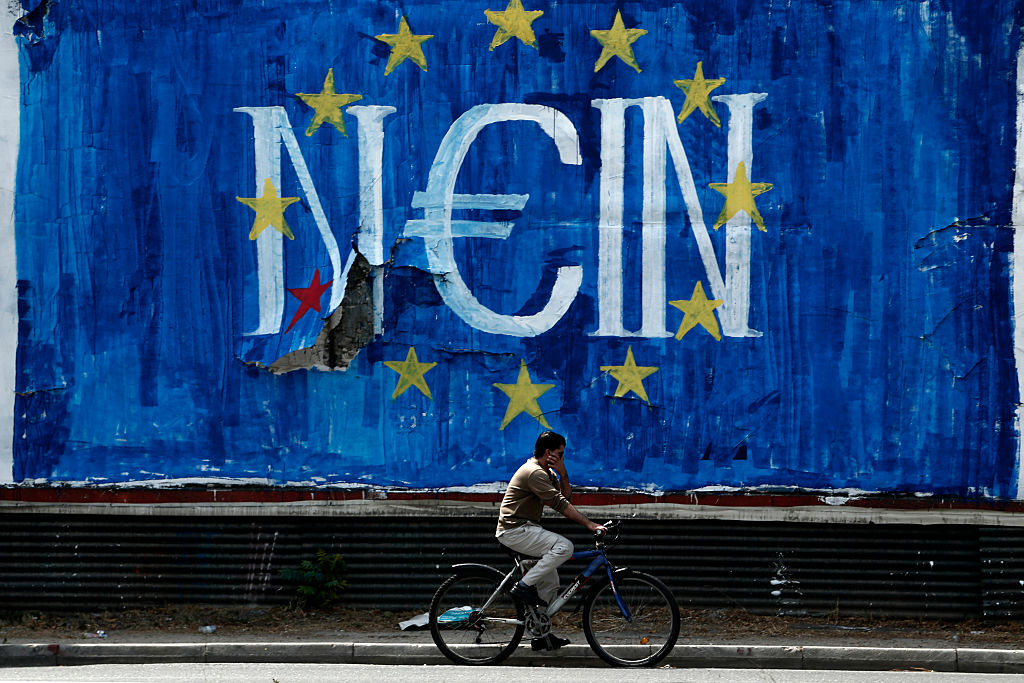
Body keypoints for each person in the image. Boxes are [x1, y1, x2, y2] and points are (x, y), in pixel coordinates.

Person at [495, 430, 605, 651]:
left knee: (551, 582)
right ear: (549, 453)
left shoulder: (547, 473)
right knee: (564, 547)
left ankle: (540, 634)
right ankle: (523, 586)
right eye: (560, 454)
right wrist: (591, 525)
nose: (563, 457)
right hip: (515, 530)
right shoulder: (534, 472)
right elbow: (561, 506)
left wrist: (563, 474)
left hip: (527, 529)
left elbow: (565, 497)